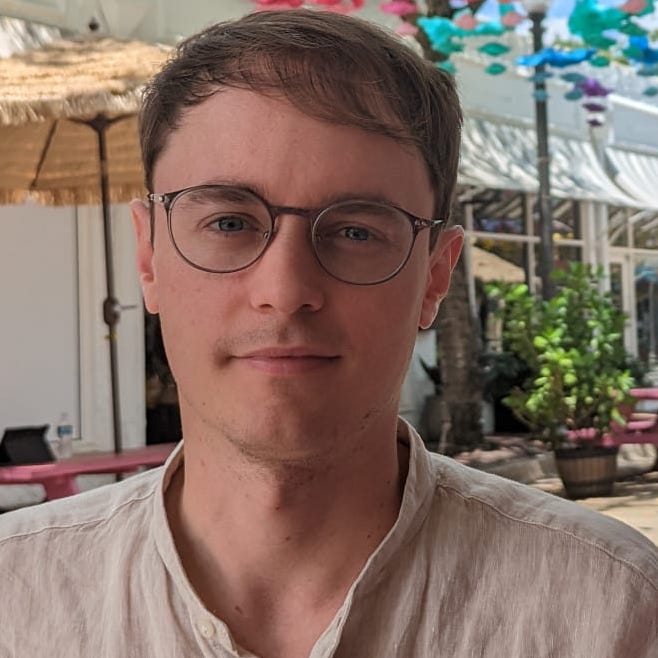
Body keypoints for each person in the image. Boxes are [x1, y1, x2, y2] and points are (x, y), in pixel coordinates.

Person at [0, 9, 656, 658]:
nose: (284, 291)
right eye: (229, 223)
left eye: (355, 231)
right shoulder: (19, 595)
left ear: (435, 277)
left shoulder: (607, 611)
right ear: (148, 258)